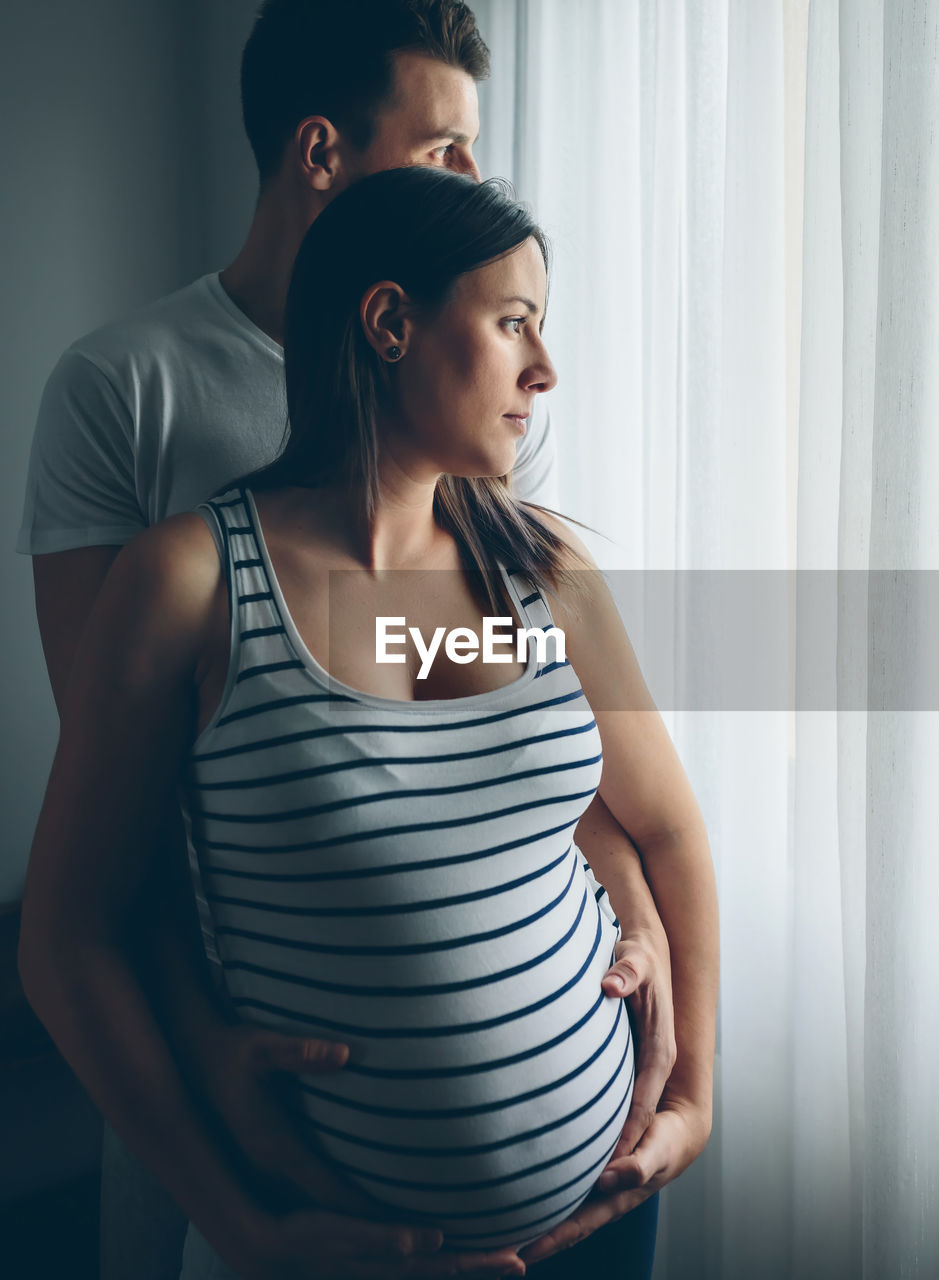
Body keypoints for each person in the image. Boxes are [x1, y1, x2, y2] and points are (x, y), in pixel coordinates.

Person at [16, 1, 715, 1276]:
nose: (479, 183)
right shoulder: (129, 398)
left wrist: (636, 911)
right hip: (253, 1088)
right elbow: (123, 838)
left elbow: (488, 732)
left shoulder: (486, 441)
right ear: (324, 154)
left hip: (589, 1176)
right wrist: (212, 1073)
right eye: (447, 153)